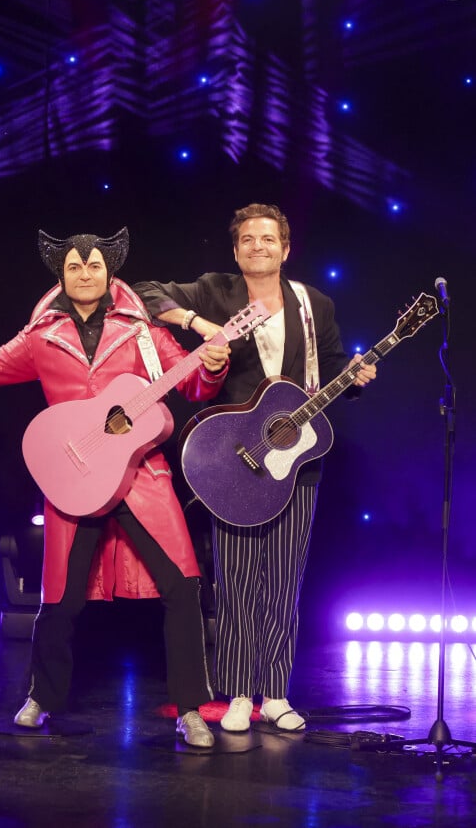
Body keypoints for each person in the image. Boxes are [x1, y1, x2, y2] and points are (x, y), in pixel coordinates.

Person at [0, 226, 231, 748]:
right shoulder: (41, 336)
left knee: (184, 587)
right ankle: (41, 698)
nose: (85, 274)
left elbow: (191, 383)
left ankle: (190, 709)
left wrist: (212, 364)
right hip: (74, 477)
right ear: (62, 274)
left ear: (109, 273)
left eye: (94, 265)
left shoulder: (143, 331)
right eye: (75, 267)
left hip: (140, 475)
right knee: (59, 597)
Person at [133, 202, 377, 733]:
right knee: (238, 580)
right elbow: (145, 295)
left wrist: (353, 376)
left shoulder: (315, 304)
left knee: (284, 582)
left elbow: (330, 369)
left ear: (286, 249)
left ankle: (277, 694)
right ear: (236, 249)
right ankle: (240, 693)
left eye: (269, 239)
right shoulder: (215, 290)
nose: (258, 246)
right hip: (232, 460)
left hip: (297, 458)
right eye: (248, 239)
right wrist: (200, 324)